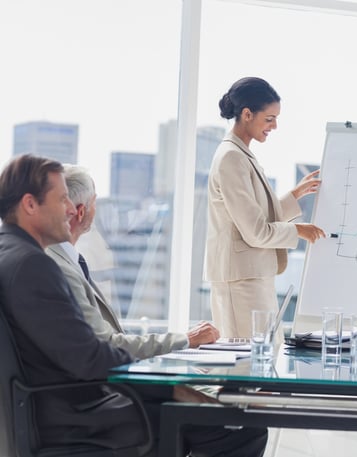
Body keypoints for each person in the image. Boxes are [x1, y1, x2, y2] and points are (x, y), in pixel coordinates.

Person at [0, 154, 267, 456]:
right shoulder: (33, 265)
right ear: (30, 204)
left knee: (213, 413)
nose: (69, 209)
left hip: (53, 406)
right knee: (242, 428)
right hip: (78, 415)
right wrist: (167, 387)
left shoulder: (10, 253)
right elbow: (88, 356)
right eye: (61, 199)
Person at [46, 164, 220, 359]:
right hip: (102, 383)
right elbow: (107, 343)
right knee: (204, 388)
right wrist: (186, 339)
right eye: (95, 203)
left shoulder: (65, 260)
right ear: (80, 212)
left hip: (105, 372)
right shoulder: (60, 268)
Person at [205, 76, 325, 338]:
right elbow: (256, 231)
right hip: (240, 282)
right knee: (246, 368)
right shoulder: (231, 158)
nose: (275, 126)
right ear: (247, 114)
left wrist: (295, 195)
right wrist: (298, 231)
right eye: (269, 119)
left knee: (263, 363)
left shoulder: (241, 155)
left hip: (251, 278)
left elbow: (253, 217)